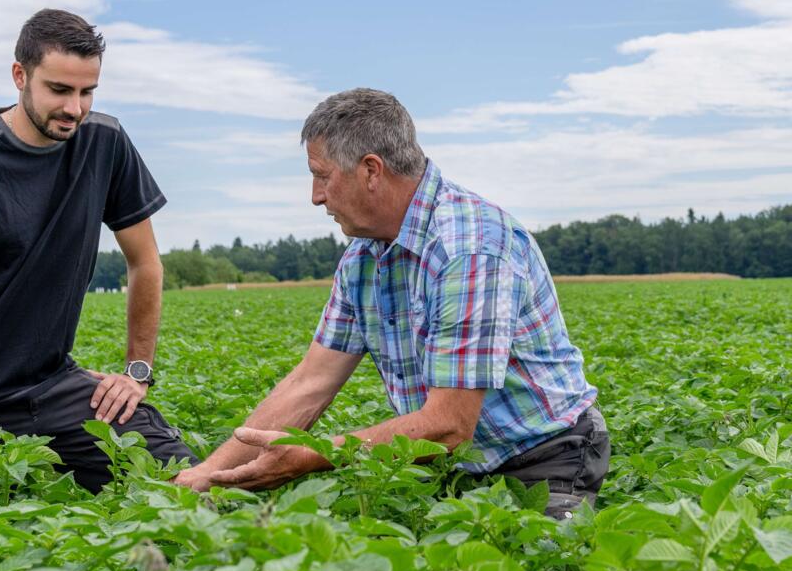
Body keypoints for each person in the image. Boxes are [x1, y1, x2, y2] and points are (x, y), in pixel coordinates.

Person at [174, 88, 608, 520]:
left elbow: (449, 424)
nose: (315, 195)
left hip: (545, 459)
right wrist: (208, 474)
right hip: (455, 466)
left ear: (370, 171)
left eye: (322, 175)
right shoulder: (363, 259)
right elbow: (311, 382)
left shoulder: (469, 248)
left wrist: (312, 455)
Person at [0, 8, 196, 492]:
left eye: (87, 91)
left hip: (50, 388)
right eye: (59, 90)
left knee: (188, 481)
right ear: (20, 76)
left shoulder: (105, 143)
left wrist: (137, 372)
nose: (75, 108)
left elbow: (145, 262)